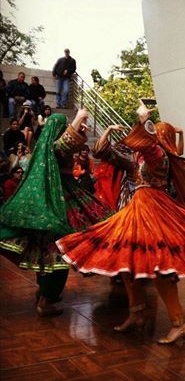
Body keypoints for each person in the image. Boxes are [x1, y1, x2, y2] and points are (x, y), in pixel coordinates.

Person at [56, 100, 185, 344]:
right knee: (127, 264)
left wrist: (142, 120)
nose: (153, 134)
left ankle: (179, 323)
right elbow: (106, 151)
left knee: (159, 268)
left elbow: (148, 145)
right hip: (137, 209)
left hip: (154, 209)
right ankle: (136, 312)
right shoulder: (140, 157)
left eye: (158, 132)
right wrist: (113, 132)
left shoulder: (159, 154)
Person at [0, 109, 111, 317]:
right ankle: (46, 301)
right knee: (60, 253)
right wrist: (79, 118)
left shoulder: (46, 147)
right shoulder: (54, 147)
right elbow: (66, 144)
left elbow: (73, 143)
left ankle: (44, 293)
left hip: (55, 200)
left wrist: (81, 130)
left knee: (48, 253)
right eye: (63, 126)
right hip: (61, 202)